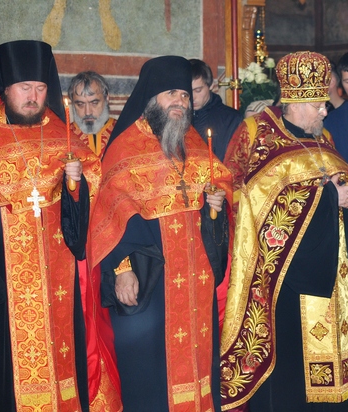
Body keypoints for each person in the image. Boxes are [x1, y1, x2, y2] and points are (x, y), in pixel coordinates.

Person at [0, 40, 121, 411]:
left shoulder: (60, 134)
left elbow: (90, 201)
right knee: (2, 369)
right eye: (25, 88)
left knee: (62, 360)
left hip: (58, 281)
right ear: (6, 88)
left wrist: (75, 185)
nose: (33, 97)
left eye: (40, 88)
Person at [220, 51, 348, 412]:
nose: (325, 111)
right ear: (297, 103)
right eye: (319, 104)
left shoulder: (324, 137)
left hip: (333, 275)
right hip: (283, 278)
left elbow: (338, 186)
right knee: (294, 376)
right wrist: (328, 197)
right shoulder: (257, 132)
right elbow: (249, 202)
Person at [88, 56, 232, 412]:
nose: (180, 102)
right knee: (149, 376)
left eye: (184, 95)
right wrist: (122, 271)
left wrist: (215, 204)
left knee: (199, 365)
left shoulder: (195, 145)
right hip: (148, 282)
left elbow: (219, 200)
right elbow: (107, 217)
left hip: (195, 283)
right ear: (152, 98)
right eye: (172, 94)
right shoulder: (124, 149)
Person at [190, 58, 243, 161]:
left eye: (198, 90)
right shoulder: (177, 117)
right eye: (188, 91)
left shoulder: (231, 119)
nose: (193, 97)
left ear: (211, 86)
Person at [68, 71, 116, 157]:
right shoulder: (64, 135)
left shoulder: (121, 133)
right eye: (80, 104)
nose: (88, 112)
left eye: (94, 103)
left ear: (106, 98)